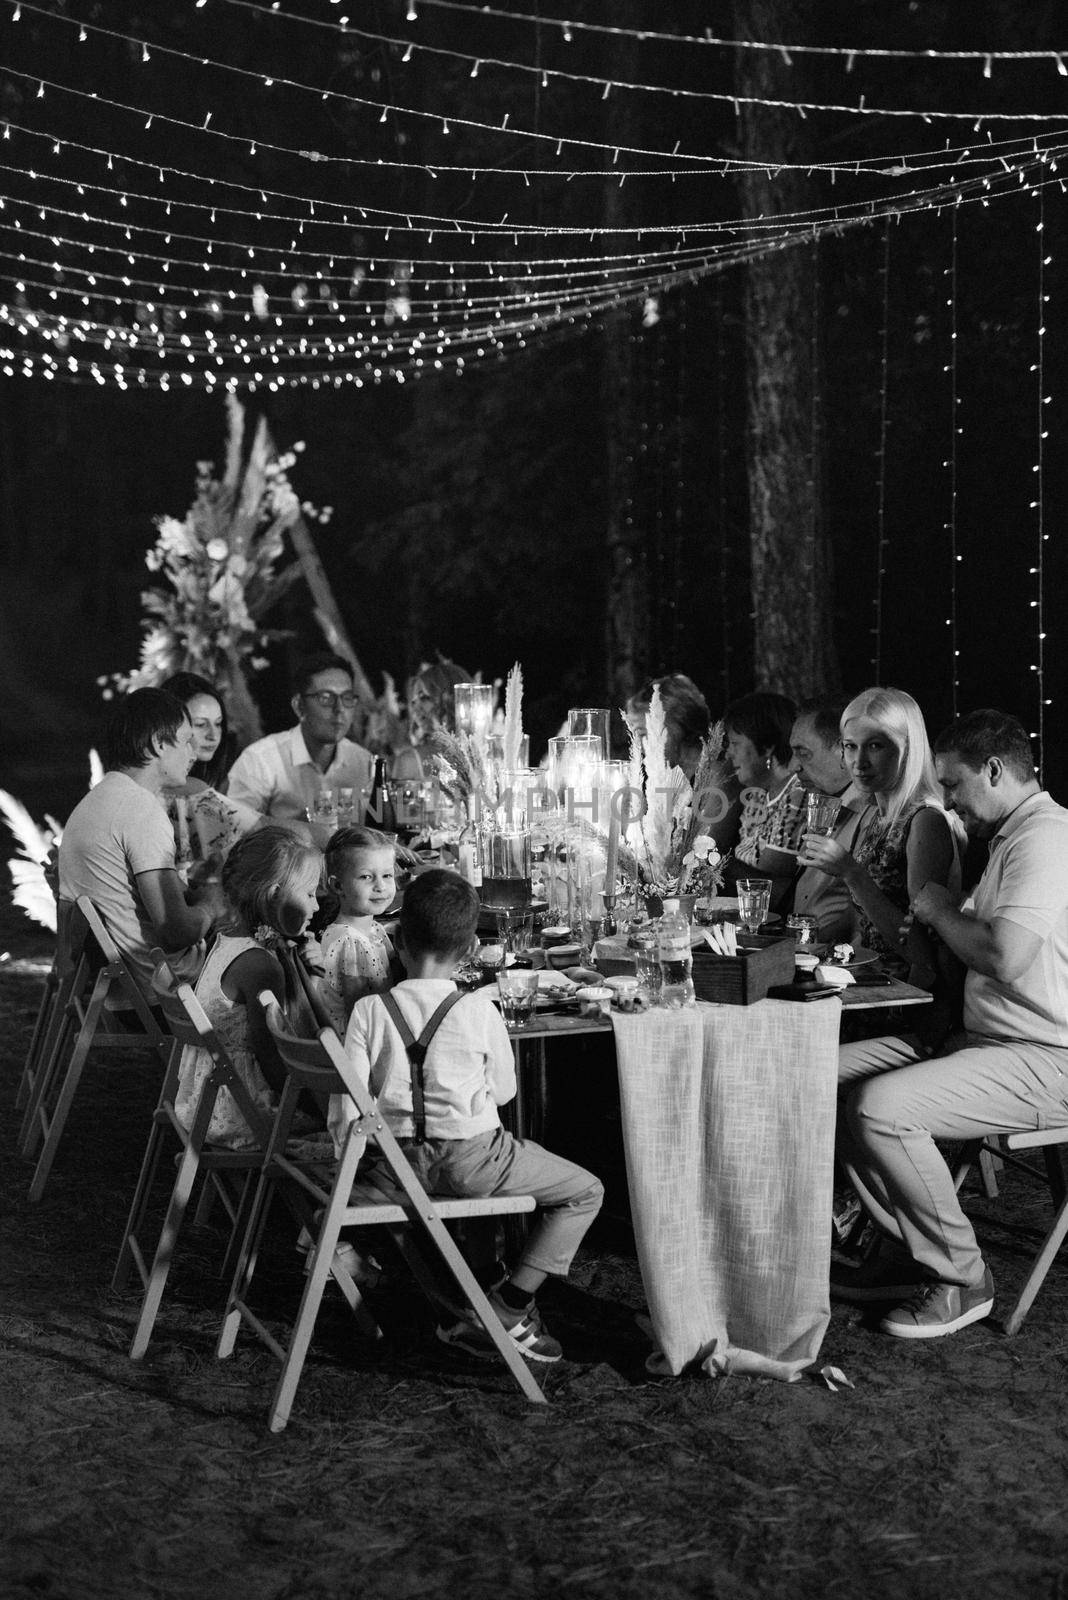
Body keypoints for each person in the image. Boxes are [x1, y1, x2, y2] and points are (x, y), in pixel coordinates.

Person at [834, 709, 1068, 1338]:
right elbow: (980, 952)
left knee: (880, 1107)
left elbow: (1003, 955)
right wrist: (936, 930)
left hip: (1048, 1055)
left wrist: (938, 908)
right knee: (820, 1076)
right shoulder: (1011, 840)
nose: (948, 802)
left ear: (995, 770)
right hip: (988, 1040)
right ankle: (901, 1250)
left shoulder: (1046, 837)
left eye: (955, 784)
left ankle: (963, 1278)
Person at [333, 869, 604, 1364]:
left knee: (524, 1156)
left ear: (400, 940)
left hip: (396, 1170)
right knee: (586, 1191)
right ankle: (509, 1305)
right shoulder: (479, 1009)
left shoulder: (369, 1010)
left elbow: (347, 1110)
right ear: (468, 952)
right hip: (472, 1165)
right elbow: (504, 1093)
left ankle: (480, 1281)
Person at [58, 688, 226, 998]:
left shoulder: (95, 801)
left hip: (114, 989)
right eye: (186, 740)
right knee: (269, 960)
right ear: (158, 744)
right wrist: (213, 904)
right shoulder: (141, 811)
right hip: (166, 992)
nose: (193, 752)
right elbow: (176, 931)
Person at [798, 687, 963, 998]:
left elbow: (922, 950)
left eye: (875, 746)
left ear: (908, 750)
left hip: (905, 995)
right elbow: (864, 923)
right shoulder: (876, 814)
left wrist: (852, 873)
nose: (859, 762)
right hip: (864, 979)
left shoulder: (925, 819)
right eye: (850, 747)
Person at [174, 827, 324, 1148]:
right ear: (272, 895)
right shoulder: (260, 965)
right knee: (355, 1122)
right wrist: (318, 1108)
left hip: (203, 1102)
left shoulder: (226, 940)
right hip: (241, 1112)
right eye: (309, 894)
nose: (317, 907)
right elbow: (271, 1058)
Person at [226, 653, 373, 834]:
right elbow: (235, 826)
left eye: (347, 698)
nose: (339, 709)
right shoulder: (260, 760)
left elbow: (376, 831)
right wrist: (300, 829)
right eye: (326, 698)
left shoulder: (363, 762)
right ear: (299, 706)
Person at [786, 697, 875, 944]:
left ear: (841, 751)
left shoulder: (871, 813)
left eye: (803, 753)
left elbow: (856, 917)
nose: (794, 767)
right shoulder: (822, 803)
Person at [159, 671, 261, 868]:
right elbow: (258, 829)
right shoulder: (186, 788)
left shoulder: (196, 784)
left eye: (218, 723)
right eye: (200, 724)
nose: (213, 735)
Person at [722, 690, 805, 907]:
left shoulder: (797, 794)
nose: (729, 753)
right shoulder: (758, 795)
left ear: (767, 746)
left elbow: (768, 887)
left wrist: (712, 860)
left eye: (735, 743)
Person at [317, 825, 400, 1034]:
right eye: (366, 877)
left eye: (387, 876)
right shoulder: (349, 941)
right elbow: (361, 1016)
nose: (380, 886)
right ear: (337, 886)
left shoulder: (373, 929)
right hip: (357, 1047)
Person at [392, 658, 473, 783]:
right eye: (413, 702)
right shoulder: (409, 761)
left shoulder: (484, 758)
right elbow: (398, 803)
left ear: (450, 698)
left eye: (423, 698)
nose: (415, 708)